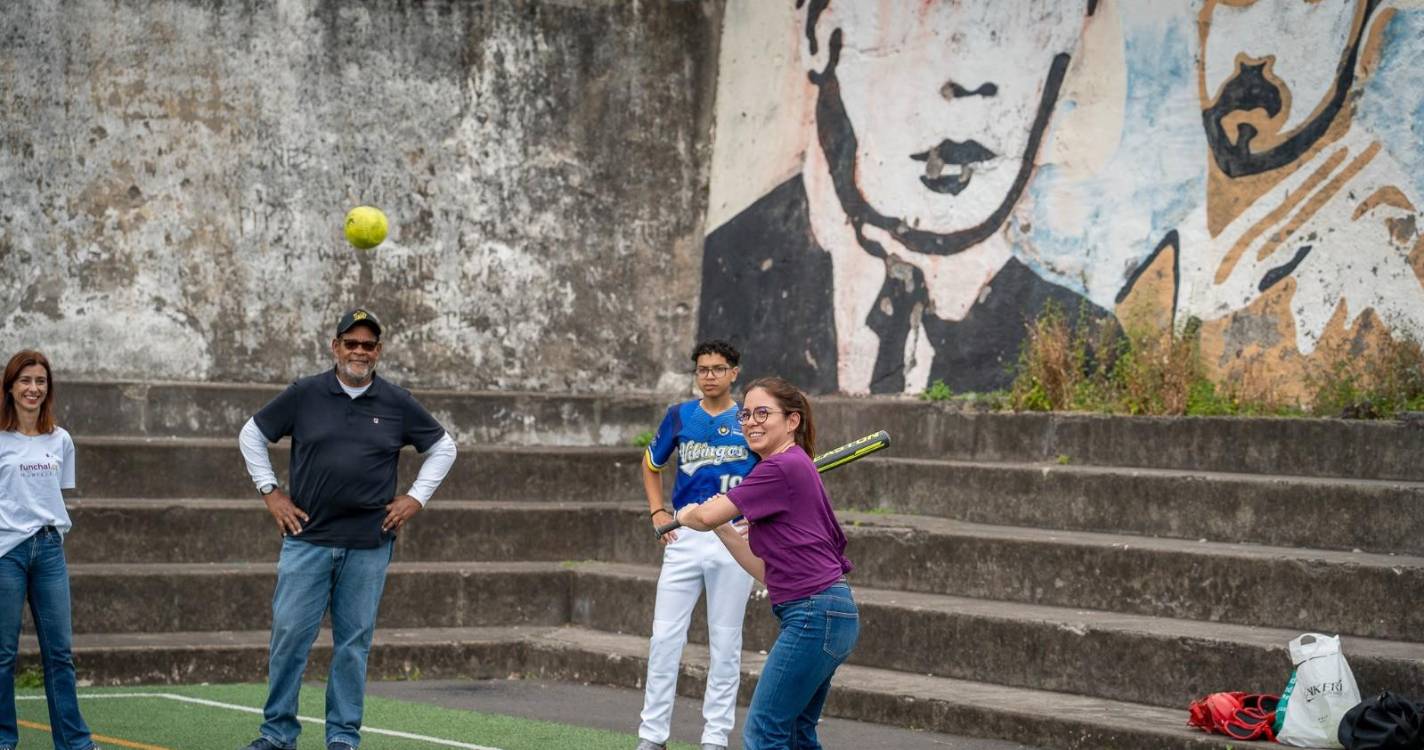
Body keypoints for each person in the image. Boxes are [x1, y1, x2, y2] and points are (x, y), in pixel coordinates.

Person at [699, 1, 1106, 394]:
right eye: (932, 13)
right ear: (818, 32)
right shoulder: (720, 277)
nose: (971, 81)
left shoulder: (1088, 342)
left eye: (1032, 13)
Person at [237, 309, 458, 750]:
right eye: (351, 343)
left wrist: (416, 497)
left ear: (379, 351)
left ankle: (342, 737)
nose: (359, 351)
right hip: (308, 539)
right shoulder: (305, 394)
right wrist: (270, 491)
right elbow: (251, 434)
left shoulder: (396, 401)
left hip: (368, 543)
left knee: (353, 646)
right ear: (335, 346)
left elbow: (444, 447)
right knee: (289, 640)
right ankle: (278, 734)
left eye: (368, 344)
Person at [673, 377, 857, 750]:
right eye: (746, 415)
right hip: (828, 613)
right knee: (795, 734)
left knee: (764, 732)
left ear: (792, 421)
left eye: (762, 413)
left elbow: (706, 516)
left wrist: (688, 514)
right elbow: (766, 572)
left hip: (814, 614)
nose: (751, 422)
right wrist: (722, 527)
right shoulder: (791, 467)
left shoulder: (779, 468)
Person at [636, 340, 758, 750]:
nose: (709, 376)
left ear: (734, 373)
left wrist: (758, 525)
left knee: (725, 642)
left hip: (734, 538)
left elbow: (772, 476)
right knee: (665, 637)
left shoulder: (750, 419)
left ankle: (715, 738)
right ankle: (652, 736)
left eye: (718, 368)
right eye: (703, 369)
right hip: (684, 535)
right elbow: (651, 463)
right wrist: (657, 511)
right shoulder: (680, 416)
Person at [0, 350, 102, 750]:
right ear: (10, 387)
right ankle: (4, 739)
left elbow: (55, 496)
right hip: (6, 552)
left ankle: (74, 743)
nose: (33, 388)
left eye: (40, 381)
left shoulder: (60, 440)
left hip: (48, 551)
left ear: (48, 388)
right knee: (3, 655)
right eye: (25, 380)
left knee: (60, 654)